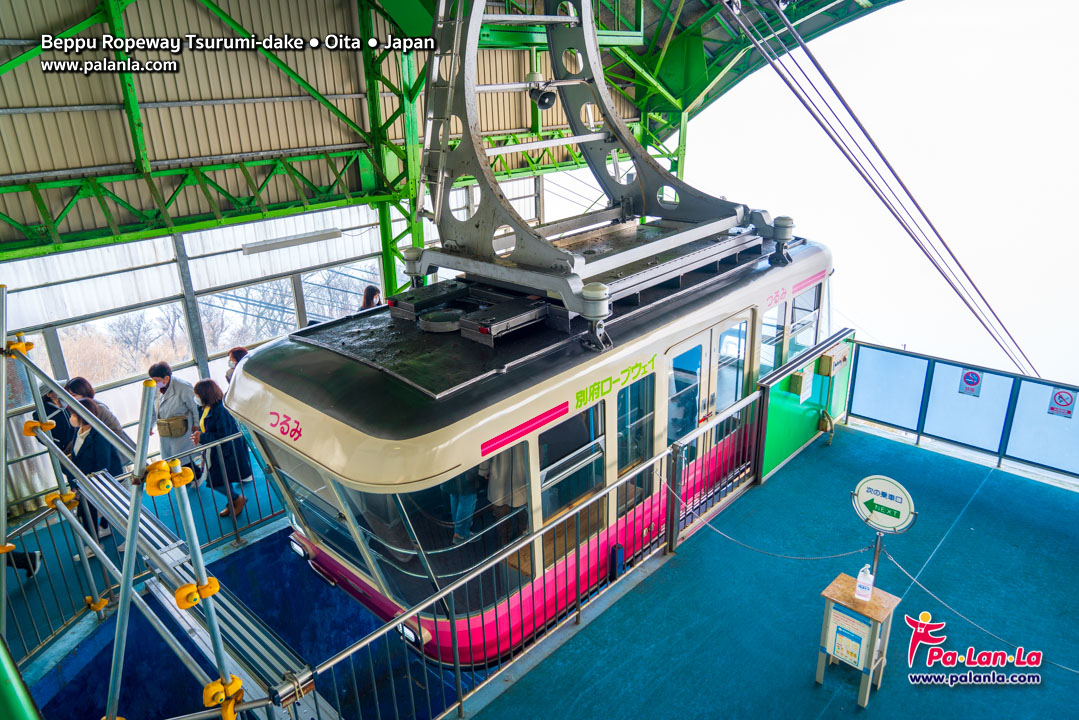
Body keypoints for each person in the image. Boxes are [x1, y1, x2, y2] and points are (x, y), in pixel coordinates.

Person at [67, 398, 124, 557]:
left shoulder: (99, 434)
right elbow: (76, 459)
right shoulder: (79, 432)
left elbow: (102, 464)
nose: (71, 418)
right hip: (86, 483)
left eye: (73, 414)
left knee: (117, 511)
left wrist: (87, 483)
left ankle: (135, 537)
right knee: (86, 514)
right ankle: (94, 545)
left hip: (102, 482)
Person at [191, 379, 251, 517]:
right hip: (215, 450)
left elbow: (223, 435)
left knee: (216, 481)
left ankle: (237, 499)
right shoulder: (204, 408)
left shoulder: (221, 410)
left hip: (226, 451)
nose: (196, 398)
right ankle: (233, 501)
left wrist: (202, 437)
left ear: (205, 395)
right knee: (220, 479)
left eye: (197, 395)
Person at [148, 362, 201, 475]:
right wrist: (150, 426)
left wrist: (196, 425)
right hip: (166, 429)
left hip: (184, 427)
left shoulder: (183, 386)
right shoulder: (155, 388)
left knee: (183, 458)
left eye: (156, 380)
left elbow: (195, 408)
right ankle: (189, 478)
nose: (154, 383)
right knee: (171, 458)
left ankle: (195, 476)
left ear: (166, 378)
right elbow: (153, 410)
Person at [64, 376, 135, 450]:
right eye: (68, 395)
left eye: (74, 395)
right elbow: (79, 436)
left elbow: (116, 430)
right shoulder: (76, 411)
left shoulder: (99, 408)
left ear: (84, 393)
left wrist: (100, 447)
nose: (70, 399)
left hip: (111, 451)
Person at [443, 467, 481, 545]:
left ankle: (458, 526)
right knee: (468, 500)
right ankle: (461, 534)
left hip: (450, 472)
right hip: (466, 471)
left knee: (455, 496)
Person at [31, 383, 74, 451]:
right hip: (64, 449)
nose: (61, 390)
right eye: (57, 388)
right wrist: (59, 445)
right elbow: (40, 435)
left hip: (77, 442)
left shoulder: (67, 403)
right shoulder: (42, 413)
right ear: (49, 394)